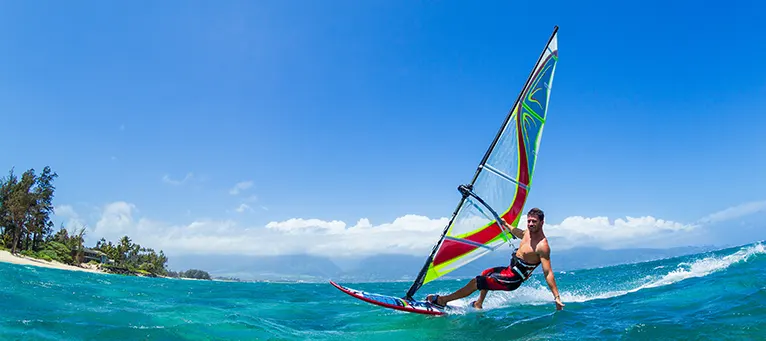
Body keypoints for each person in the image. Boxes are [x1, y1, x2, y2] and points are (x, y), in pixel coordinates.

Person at [425, 207, 565, 310]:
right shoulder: (528, 232)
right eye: (528, 221)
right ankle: (479, 303)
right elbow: (518, 233)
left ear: (542, 222)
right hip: (508, 270)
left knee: (477, 282)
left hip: (513, 279)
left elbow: (548, 273)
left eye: (534, 221)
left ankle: (442, 301)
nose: (530, 224)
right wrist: (505, 225)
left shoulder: (542, 246)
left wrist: (556, 298)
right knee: (486, 273)